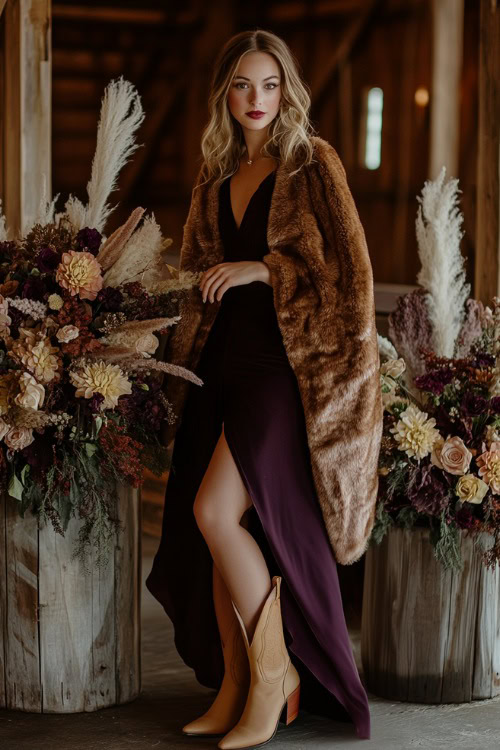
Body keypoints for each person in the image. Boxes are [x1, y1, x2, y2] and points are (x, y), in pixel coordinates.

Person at [146, 28, 383, 748]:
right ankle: (237, 684)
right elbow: (192, 279)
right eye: (244, 85)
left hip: (284, 371)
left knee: (215, 511)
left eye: (270, 85)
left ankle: (277, 676)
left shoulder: (312, 165)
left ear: (288, 93)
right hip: (220, 365)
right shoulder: (213, 176)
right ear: (226, 92)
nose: (257, 99)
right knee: (223, 530)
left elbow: (350, 280)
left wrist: (266, 269)